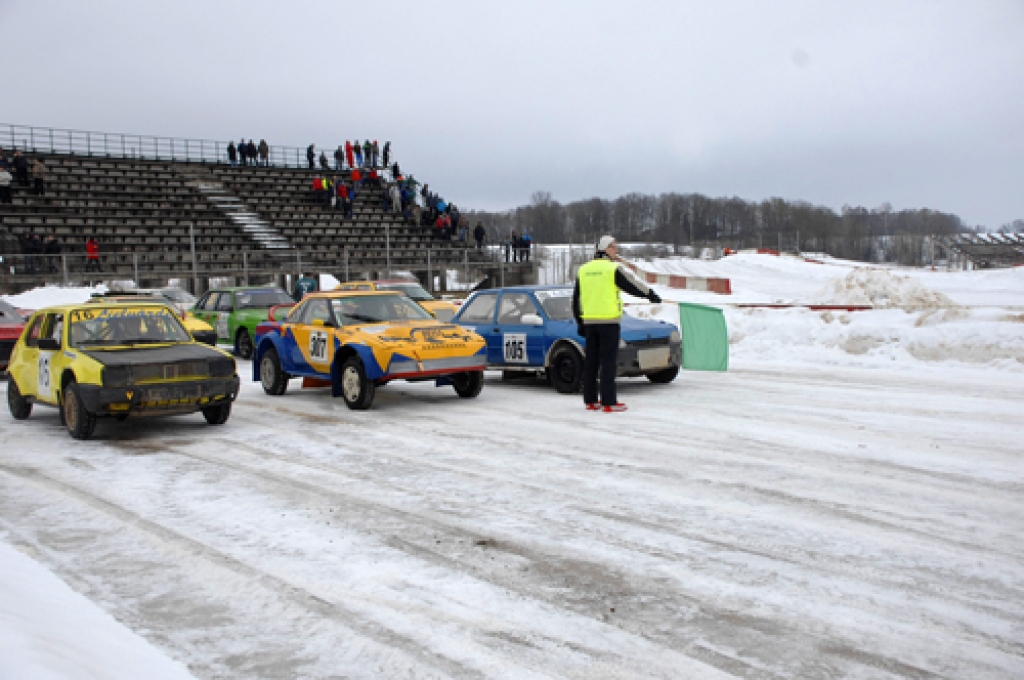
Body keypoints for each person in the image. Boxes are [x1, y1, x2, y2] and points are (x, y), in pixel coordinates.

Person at [573, 235, 662, 412]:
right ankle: (609, 402)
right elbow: (632, 285)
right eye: (615, 247)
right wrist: (650, 295)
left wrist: (580, 322)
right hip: (608, 322)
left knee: (591, 361)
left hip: (590, 322)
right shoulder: (612, 268)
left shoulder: (583, 270)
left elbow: (576, 299)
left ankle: (590, 400)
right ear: (606, 248)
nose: (617, 250)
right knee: (608, 361)